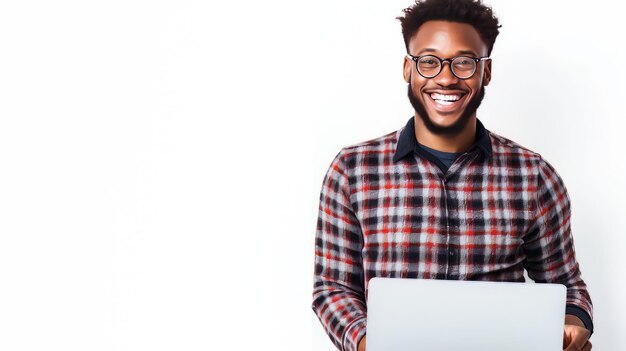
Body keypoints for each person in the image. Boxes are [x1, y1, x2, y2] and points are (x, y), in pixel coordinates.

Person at [311, 1, 594, 351]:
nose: (446, 77)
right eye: (429, 61)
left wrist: (573, 322)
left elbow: (568, 286)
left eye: (463, 62)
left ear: (485, 72)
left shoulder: (534, 176)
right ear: (407, 69)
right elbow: (332, 288)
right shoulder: (352, 170)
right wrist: (370, 343)